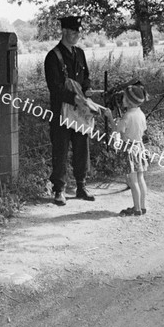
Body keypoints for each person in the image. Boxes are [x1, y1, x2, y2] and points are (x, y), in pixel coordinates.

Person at [44, 15, 95, 206]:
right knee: (61, 149)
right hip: (60, 111)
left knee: (82, 147)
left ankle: (81, 186)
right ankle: (59, 190)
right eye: (74, 31)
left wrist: (87, 88)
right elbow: (55, 87)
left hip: (79, 110)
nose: (77, 35)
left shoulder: (80, 54)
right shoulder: (52, 57)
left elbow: (86, 77)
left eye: (78, 32)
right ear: (64, 31)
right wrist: (73, 98)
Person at [104, 85, 149, 216]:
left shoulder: (127, 116)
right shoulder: (140, 113)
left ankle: (136, 209)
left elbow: (117, 130)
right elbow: (142, 129)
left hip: (129, 148)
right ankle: (142, 206)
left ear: (129, 101)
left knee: (132, 180)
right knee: (141, 178)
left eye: (124, 97)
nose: (122, 99)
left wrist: (110, 117)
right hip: (139, 146)